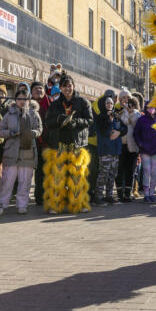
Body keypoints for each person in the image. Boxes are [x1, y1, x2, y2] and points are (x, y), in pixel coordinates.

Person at [42, 75, 93, 213]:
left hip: (77, 145)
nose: (67, 88)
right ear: (61, 88)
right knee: (58, 178)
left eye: (69, 85)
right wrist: (59, 119)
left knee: (77, 177)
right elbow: (48, 122)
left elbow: (89, 120)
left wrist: (76, 122)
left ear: (74, 86)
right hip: (59, 145)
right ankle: (56, 205)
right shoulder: (55, 104)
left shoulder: (83, 102)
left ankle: (79, 204)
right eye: (64, 86)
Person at [0, 89, 42, 214]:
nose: (22, 101)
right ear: (15, 100)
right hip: (12, 150)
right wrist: (10, 133)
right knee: (7, 180)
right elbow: (0, 130)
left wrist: (32, 133)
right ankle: (2, 204)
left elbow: (39, 129)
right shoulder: (8, 114)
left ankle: (22, 205)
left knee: (25, 180)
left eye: (25, 99)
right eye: (20, 99)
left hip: (27, 150)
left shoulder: (34, 114)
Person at [95, 96, 124, 204]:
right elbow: (102, 131)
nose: (109, 105)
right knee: (104, 174)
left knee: (113, 174)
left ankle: (109, 195)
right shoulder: (100, 117)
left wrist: (119, 132)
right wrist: (108, 120)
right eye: (107, 103)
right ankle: (98, 197)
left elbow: (124, 128)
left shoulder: (116, 116)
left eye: (111, 103)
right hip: (105, 150)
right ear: (103, 104)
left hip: (115, 150)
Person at [134, 104, 156, 202]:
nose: (151, 109)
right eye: (149, 107)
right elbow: (136, 133)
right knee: (146, 172)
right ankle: (146, 195)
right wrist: (140, 144)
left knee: (154, 173)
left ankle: (152, 194)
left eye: (153, 107)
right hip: (145, 150)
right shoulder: (141, 120)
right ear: (146, 108)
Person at [117, 97, 140, 202]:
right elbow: (119, 123)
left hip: (133, 146)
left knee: (130, 171)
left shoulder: (136, 114)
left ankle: (127, 193)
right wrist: (123, 112)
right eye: (126, 103)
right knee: (120, 169)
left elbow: (136, 125)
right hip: (122, 145)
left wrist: (131, 113)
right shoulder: (120, 111)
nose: (128, 105)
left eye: (130, 104)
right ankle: (120, 193)